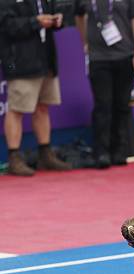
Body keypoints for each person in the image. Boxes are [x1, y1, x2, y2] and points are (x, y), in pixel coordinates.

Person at [0, 0, 72, 176]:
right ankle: (14, 157)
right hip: (20, 62)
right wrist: (35, 22)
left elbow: (56, 10)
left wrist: (58, 21)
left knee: (43, 106)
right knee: (16, 109)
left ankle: (45, 153)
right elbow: (6, 25)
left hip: (45, 59)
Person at [75, 0, 134, 168]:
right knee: (103, 104)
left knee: (122, 104)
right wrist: (85, 41)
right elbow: (79, 16)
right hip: (98, 58)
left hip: (125, 55)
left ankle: (119, 150)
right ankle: (101, 152)